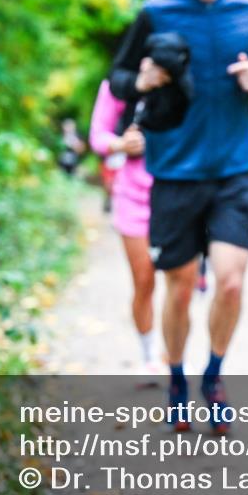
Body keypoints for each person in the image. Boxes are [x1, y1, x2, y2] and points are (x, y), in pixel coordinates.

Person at [108, 0, 248, 433]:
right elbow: (116, 80)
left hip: (235, 168)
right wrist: (140, 79)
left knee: (229, 283)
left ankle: (215, 376)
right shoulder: (155, 11)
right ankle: (177, 379)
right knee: (179, 284)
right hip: (176, 169)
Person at [88, 80, 159, 381]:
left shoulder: (188, 76)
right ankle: (149, 356)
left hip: (179, 193)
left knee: (182, 284)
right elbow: (98, 137)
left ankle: (174, 355)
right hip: (133, 197)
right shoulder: (119, 84)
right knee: (144, 280)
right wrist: (121, 143)